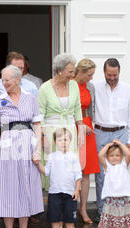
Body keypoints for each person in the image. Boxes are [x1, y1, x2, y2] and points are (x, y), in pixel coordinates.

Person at [0, 65, 44, 228]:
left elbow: (37, 125)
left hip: (27, 148)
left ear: (17, 79)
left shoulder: (31, 99)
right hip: (7, 149)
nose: (4, 83)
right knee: (9, 191)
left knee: (26, 190)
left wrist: (37, 150)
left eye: (7, 80)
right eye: (3, 80)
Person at [93, 58, 130, 220]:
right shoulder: (95, 87)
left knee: (120, 173)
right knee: (101, 175)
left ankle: (119, 212)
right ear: (104, 72)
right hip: (101, 132)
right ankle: (102, 211)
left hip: (120, 133)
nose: (112, 78)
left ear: (119, 72)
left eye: (115, 75)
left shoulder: (127, 89)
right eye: (109, 75)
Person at [38, 53, 85, 191]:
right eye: (70, 71)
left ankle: (70, 196)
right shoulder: (45, 88)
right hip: (51, 132)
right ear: (60, 70)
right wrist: (43, 137)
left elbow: (77, 108)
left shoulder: (74, 85)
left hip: (70, 131)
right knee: (54, 166)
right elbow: (39, 115)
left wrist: (80, 129)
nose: (73, 74)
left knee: (70, 165)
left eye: (73, 71)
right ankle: (54, 198)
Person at [36, 128, 82, 228]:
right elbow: (46, 172)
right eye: (60, 140)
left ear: (70, 141)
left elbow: (78, 175)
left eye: (66, 139)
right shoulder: (51, 156)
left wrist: (77, 190)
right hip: (54, 192)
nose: (63, 142)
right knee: (54, 216)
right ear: (55, 142)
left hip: (70, 192)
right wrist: (38, 164)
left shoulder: (73, 157)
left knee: (70, 217)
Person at [94, 140, 130, 228]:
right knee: (113, 220)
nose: (114, 157)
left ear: (121, 156)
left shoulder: (124, 164)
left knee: (122, 220)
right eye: (112, 155)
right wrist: (109, 145)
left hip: (122, 199)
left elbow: (128, 153)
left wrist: (119, 144)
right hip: (111, 199)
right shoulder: (107, 167)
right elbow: (100, 155)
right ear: (108, 157)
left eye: (117, 155)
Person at [74, 58, 99, 224]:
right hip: (72, 126)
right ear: (80, 72)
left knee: (86, 171)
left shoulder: (90, 87)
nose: (91, 78)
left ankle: (83, 208)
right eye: (89, 75)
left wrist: (90, 124)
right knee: (71, 169)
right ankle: (69, 208)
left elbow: (93, 108)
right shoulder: (69, 84)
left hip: (87, 126)